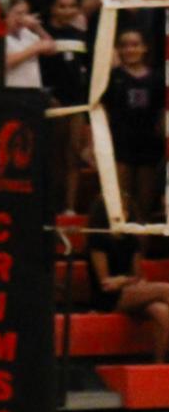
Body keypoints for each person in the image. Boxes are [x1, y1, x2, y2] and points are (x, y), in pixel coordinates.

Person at [85, 200, 169, 362]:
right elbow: (106, 283)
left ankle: (158, 363)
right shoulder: (98, 240)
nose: (125, 213)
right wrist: (125, 282)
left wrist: (124, 281)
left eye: (126, 210)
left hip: (128, 290)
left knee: (162, 311)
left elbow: (136, 276)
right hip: (107, 297)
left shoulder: (131, 240)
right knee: (166, 289)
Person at [102, 28, 165, 228]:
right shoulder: (112, 77)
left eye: (135, 45)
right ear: (119, 49)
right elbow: (102, 108)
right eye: (125, 45)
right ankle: (122, 246)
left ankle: (141, 252)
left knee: (144, 204)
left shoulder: (158, 78)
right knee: (122, 201)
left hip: (149, 144)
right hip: (121, 142)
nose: (130, 49)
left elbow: (162, 111)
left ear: (144, 48)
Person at [0, 0, 55, 90]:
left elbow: (52, 49)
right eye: (18, 13)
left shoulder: (26, 32)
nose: (23, 18)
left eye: (25, 13)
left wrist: (37, 28)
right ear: (5, 14)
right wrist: (35, 49)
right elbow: (2, 62)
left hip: (33, 89)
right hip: (11, 91)